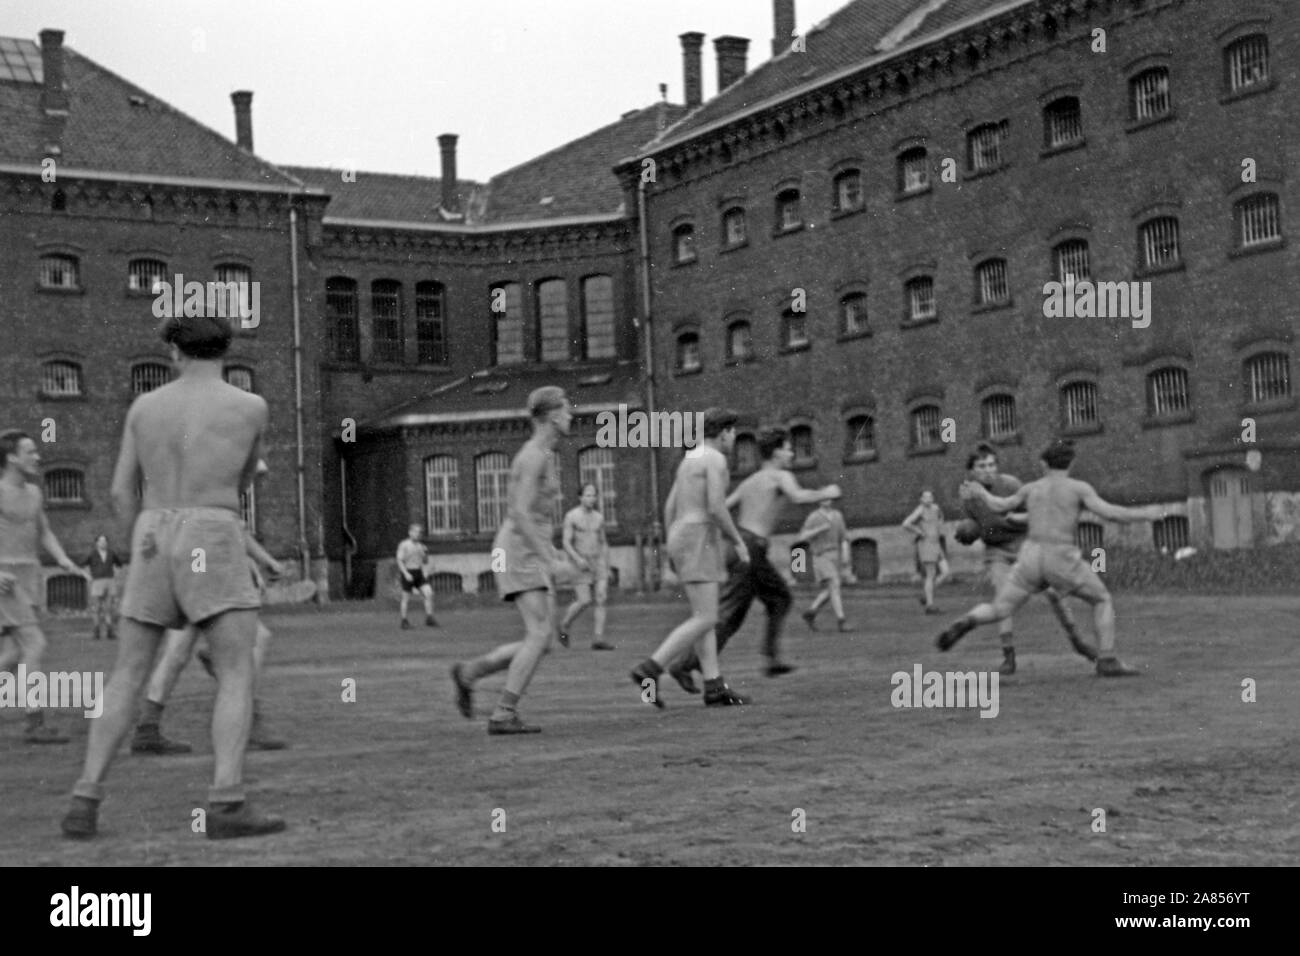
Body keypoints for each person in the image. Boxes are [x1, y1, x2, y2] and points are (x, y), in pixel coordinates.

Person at [61, 314, 284, 840]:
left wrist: (142, 544)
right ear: (224, 352)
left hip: (153, 531)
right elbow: (248, 475)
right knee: (234, 670)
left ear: (175, 356)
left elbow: (120, 493)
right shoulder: (250, 407)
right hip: (213, 527)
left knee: (128, 672)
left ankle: (85, 797)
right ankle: (226, 801)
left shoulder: (144, 407)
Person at [936, 438, 1164, 677]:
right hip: (1060, 555)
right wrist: (1146, 514)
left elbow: (1000, 504)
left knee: (1000, 608)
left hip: (1030, 555)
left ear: (1044, 464)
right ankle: (1107, 659)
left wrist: (981, 492)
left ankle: (967, 620)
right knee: (1101, 599)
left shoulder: (1031, 488)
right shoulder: (1078, 488)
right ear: (1070, 464)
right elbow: (1111, 513)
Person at [671, 427, 840, 686]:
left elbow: (722, 507)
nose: (791, 453)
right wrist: (826, 493)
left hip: (741, 546)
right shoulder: (780, 476)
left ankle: (763, 659)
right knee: (752, 607)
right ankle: (685, 664)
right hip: (752, 548)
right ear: (776, 452)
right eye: (787, 448)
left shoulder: (751, 481)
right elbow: (797, 496)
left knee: (749, 609)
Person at [450, 387, 571, 734]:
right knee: (538, 633)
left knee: (543, 639)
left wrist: (550, 552)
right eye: (566, 410)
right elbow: (518, 512)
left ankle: (469, 673)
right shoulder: (534, 456)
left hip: (522, 548)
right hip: (519, 549)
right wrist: (549, 555)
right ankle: (503, 713)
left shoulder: (541, 454)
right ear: (551, 416)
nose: (571, 416)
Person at [130, 515, 286, 755]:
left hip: (185, 563)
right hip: (204, 566)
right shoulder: (216, 488)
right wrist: (265, 561)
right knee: (256, 640)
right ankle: (248, 721)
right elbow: (233, 529)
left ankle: (147, 727)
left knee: (177, 652)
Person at [630, 408, 750, 707]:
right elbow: (716, 507)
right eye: (732, 432)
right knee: (707, 616)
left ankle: (714, 685)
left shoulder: (690, 458)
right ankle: (651, 668)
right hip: (699, 535)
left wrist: (672, 545)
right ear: (723, 433)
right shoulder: (716, 459)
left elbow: (670, 506)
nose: (734, 438)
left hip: (681, 534)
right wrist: (738, 541)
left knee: (703, 615)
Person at [953, 442, 1092, 675]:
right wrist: (967, 532)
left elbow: (1037, 513)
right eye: (982, 466)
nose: (988, 469)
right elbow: (975, 525)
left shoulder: (1010, 484)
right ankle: (1008, 656)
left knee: (1054, 593)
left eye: (991, 464)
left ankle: (1077, 640)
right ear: (972, 471)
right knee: (1002, 599)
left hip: (1025, 545)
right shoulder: (969, 496)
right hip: (996, 550)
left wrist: (1013, 518)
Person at [0, 430, 91, 744]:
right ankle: (34, 722)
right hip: (5, 581)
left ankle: (32, 719)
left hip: (30, 575)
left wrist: (63, 559)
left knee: (12, 654)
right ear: (11, 457)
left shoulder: (35, 493)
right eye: (30, 451)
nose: (38, 457)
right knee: (34, 645)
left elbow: (45, 532)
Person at [558, 484, 614, 651]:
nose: (591, 499)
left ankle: (598, 638)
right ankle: (564, 625)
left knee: (601, 598)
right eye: (588, 495)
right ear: (580, 497)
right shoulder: (572, 516)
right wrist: (577, 559)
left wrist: (607, 565)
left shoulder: (599, 518)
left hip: (598, 562)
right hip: (579, 563)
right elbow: (566, 542)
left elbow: (603, 542)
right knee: (584, 601)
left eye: (594, 495)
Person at [799, 493, 851, 632]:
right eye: (822, 497)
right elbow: (803, 535)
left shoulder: (837, 515)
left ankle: (811, 612)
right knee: (834, 585)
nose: (826, 499)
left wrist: (846, 554)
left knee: (830, 590)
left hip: (835, 555)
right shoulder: (814, 517)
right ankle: (842, 621)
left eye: (828, 497)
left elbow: (844, 537)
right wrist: (819, 529)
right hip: (820, 555)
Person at [902, 490, 949, 613]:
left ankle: (926, 596)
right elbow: (906, 523)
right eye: (925, 497)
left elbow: (941, 519)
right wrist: (920, 532)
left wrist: (939, 528)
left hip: (936, 544)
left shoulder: (936, 508)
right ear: (921, 500)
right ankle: (930, 606)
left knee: (945, 572)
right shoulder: (920, 510)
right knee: (931, 574)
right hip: (926, 544)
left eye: (930, 496)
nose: (929, 498)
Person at [82, 534, 123, 641]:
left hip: (109, 582)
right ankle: (96, 631)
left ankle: (110, 632)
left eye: (105, 541)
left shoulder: (111, 553)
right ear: (97, 543)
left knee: (109, 608)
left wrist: (116, 576)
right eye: (101, 541)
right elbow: (83, 564)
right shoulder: (92, 554)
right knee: (97, 608)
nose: (103, 543)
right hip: (97, 582)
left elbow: (119, 565)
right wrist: (87, 576)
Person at [396, 524, 437, 630]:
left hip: (418, 572)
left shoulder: (421, 546)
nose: (418, 534)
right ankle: (404, 621)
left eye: (419, 532)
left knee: (428, 593)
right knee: (406, 598)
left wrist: (425, 555)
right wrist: (405, 573)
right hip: (408, 572)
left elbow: (425, 561)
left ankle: (429, 618)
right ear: (410, 532)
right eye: (416, 532)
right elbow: (399, 560)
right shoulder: (404, 545)